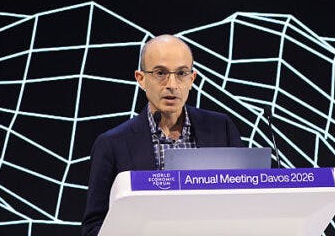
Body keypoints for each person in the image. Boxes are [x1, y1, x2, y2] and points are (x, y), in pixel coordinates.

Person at [81, 34, 243, 236]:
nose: (172, 84)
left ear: (192, 79)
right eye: (160, 73)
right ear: (141, 79)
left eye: (182, 73)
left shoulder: (222, 129)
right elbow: (93, 227)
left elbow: (243, 201)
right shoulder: (112, 144)